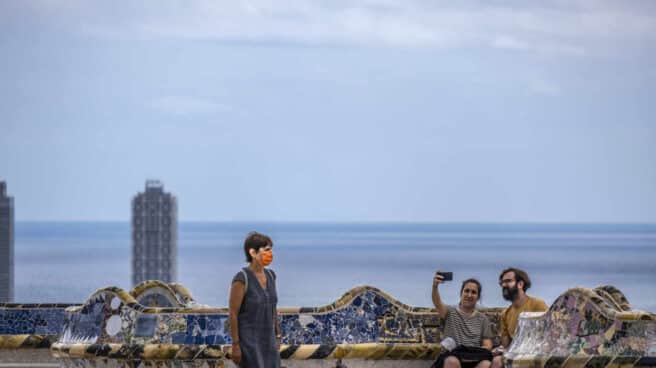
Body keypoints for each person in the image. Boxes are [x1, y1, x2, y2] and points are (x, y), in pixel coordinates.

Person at [229, 232, 281, 368]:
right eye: (266, 250)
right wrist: (235, 345)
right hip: (249, 344)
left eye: (271, 250)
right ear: (253, 252)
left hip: (269, 343)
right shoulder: (241, 279)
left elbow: (273, 307)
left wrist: (278, 335)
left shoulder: (271, 276)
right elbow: (233, 313)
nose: (270, 254)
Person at [432, 271, 493, 368]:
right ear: (461, 293)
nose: (469, 295)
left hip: (474, 359)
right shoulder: (450, 312)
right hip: (452, 356)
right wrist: (435, 286)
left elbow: (488, 345)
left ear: (478, 297)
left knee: (486, 364)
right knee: (452, 362)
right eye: (467, 291)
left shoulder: (483, 319)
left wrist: (471, 351)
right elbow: (437, 302)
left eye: (473, 292)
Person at [491, 267, 548, 368]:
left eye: (508, 281)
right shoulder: (506, 313)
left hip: (536, 354)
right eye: (502, 283)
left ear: (520, 284)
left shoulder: (538, 305)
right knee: (496, 361)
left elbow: (548, 335)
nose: (504, 285)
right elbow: (506, 345)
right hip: (515, 354)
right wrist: (500, 350)